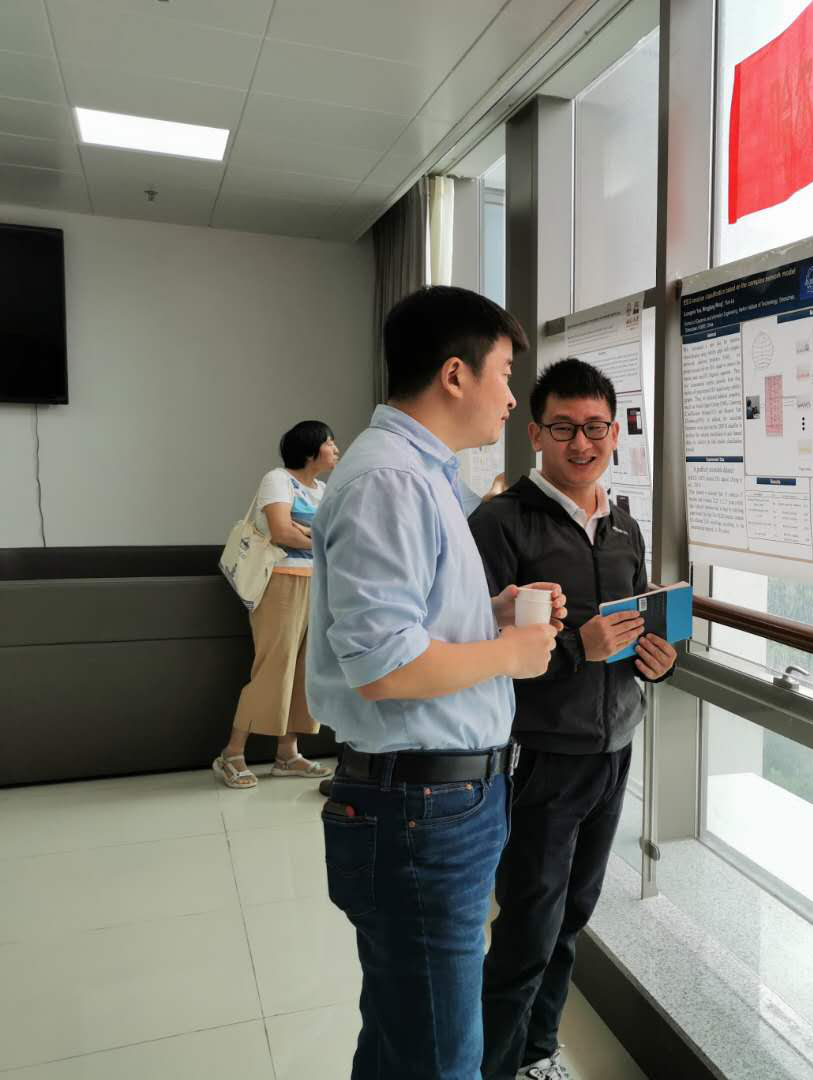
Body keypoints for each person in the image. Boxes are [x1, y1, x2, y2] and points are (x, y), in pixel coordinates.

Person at [306, 285, 563, 1080]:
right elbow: (385, 666)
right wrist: (510, 653)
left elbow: (414, 622)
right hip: (420, 808)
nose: (512, 397)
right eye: (505, 373)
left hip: (433, 801)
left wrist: (491, 613)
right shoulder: (390, 480)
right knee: (441, 1057)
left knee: (401, 1036)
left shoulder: (420, 472)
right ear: (455, 374)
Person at [470, 358, 676, 1080]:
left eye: (595, 428)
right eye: (563, 428)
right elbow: (473, 649)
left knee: (573, 916)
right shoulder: (500, 524)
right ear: (535, 434)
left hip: (613, 750)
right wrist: (574, 651)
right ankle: (494, 1067)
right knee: (528, 925)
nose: (581, 444)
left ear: (616, 433)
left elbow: (637, 625)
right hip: (539, 757)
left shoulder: (624, 528)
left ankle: (536, 1054)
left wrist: (657, 661)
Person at [213, 421, 340, 789]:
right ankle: (231, 754)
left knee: (304, 670)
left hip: (316, 584)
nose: (336, 449)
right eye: (330, 443)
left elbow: (332, 535)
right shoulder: (278, 479)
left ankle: (287, 754)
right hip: (280, 583)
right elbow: (282, 531)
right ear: (311, 450)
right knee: (274, 667)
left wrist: (308, 534)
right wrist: (315, 537)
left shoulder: (322, 490)